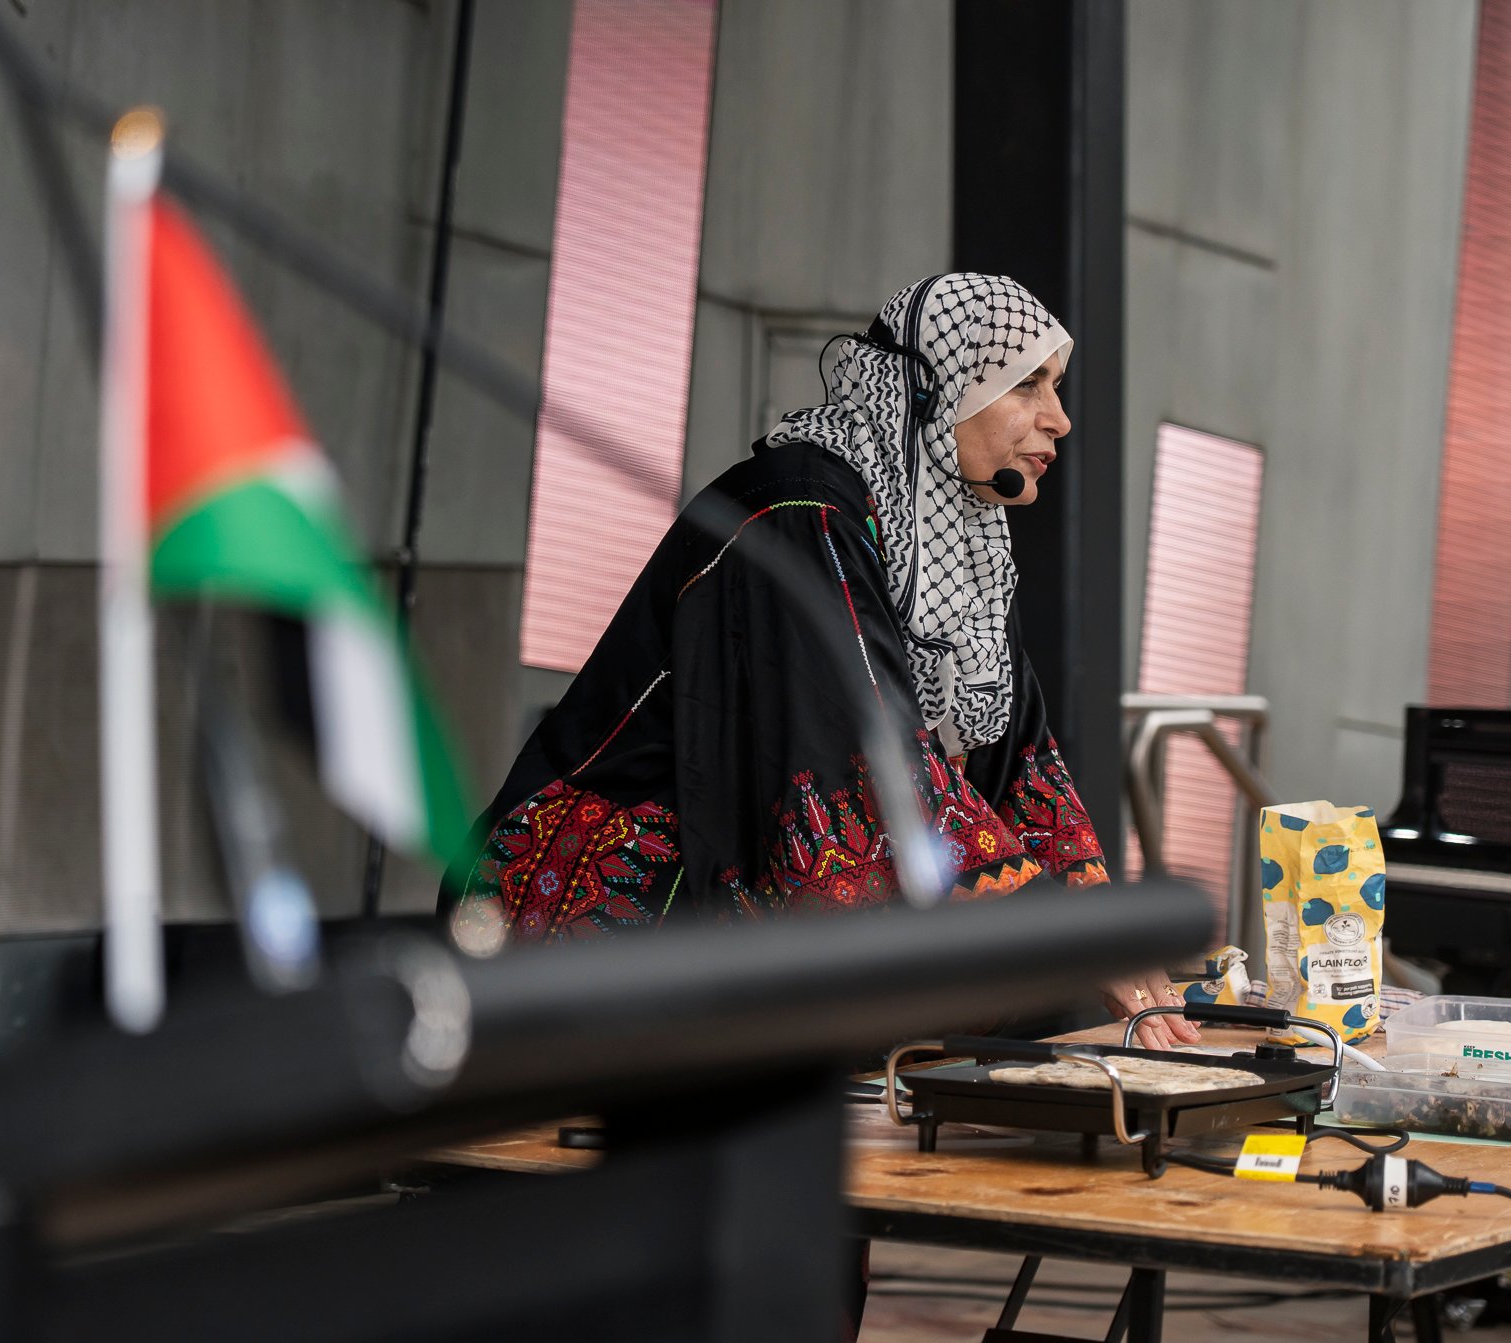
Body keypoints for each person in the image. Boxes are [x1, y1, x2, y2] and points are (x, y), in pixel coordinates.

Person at [441, 272, 1197, 1050]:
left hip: (726, 885)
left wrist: (1108, 936)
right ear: (936, 390)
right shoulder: (797, 507)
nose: (1060, 419)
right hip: (597, 899)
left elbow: (1027, 770)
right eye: (1026, 383)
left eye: (1057, 386)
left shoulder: (965, 549)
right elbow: (869, 758)